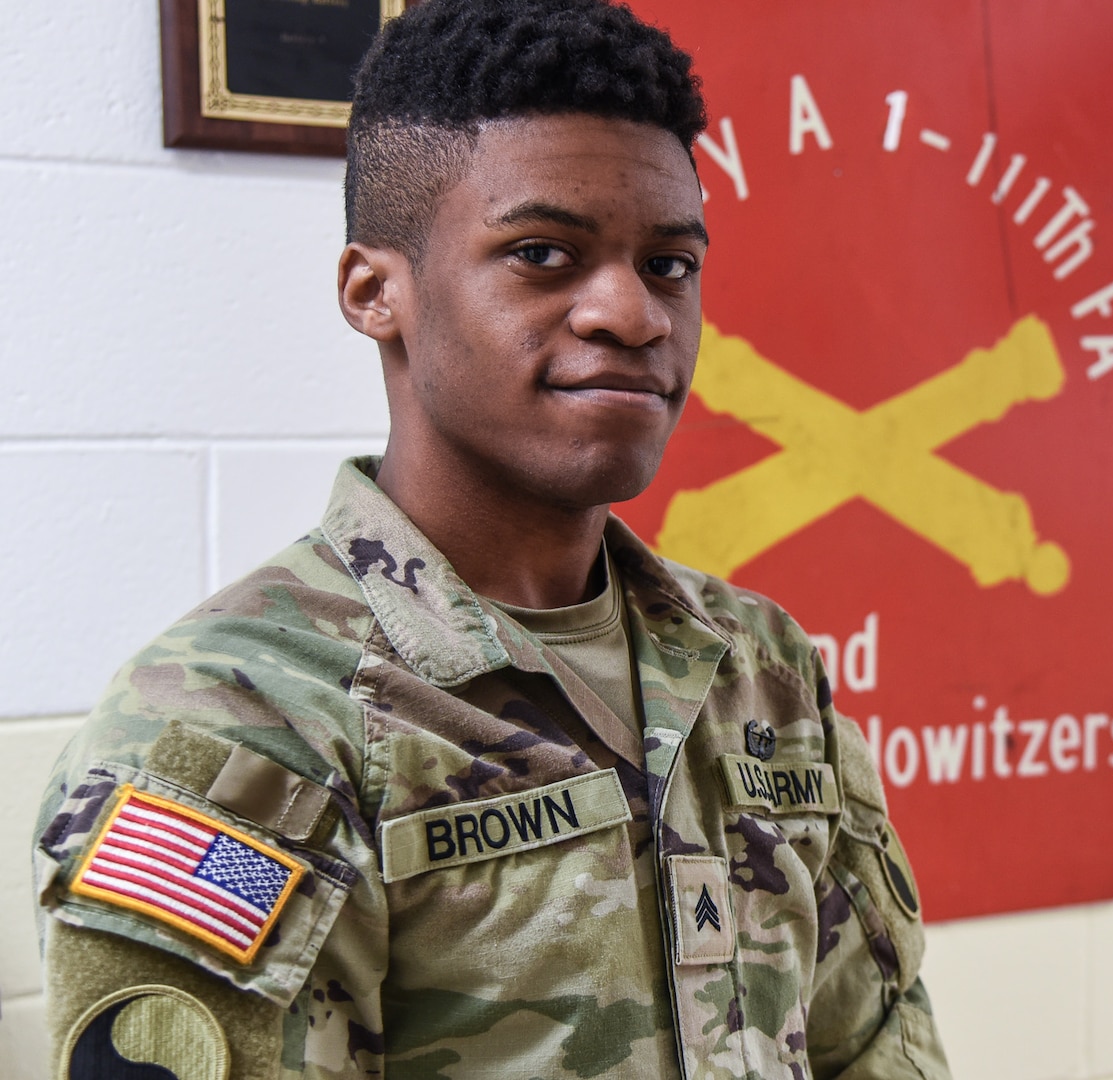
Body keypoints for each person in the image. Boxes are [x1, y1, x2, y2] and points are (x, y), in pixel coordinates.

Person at [31, 1, 952, 1076]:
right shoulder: (244, 727)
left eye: (668, 265)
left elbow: (873, 1041)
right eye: (543, 254)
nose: (633, 314)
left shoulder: (761, 665)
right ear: (376, 292)